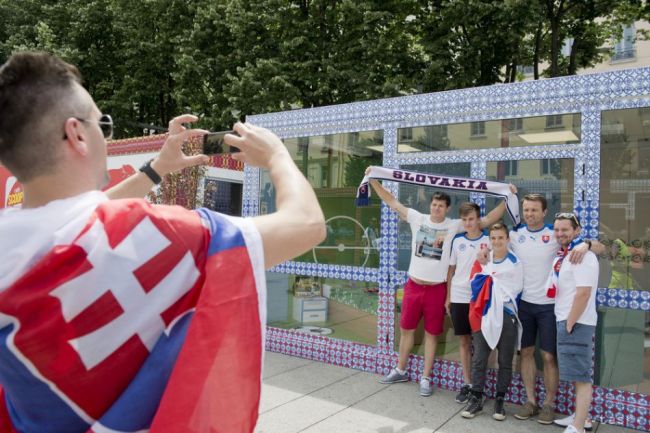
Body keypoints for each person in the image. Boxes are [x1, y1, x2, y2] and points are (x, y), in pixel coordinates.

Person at [0, 52, 325, 433]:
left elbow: (77, 219)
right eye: (102, 123)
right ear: (76, 134)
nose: (108, 135)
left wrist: (157, 169)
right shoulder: (160, 233)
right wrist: (278, 156)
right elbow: (306, 224)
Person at [367, 166, 511, 397]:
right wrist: (373, 182)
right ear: (431, 205)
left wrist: (507, 198)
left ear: (447, 209)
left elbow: (485, 221)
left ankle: (426, 378)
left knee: (432, 334)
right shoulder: (418, 218)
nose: (436, 208)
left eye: (441, 206)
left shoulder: (454, 225)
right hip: (413, 285)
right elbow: (393, 202)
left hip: (437, 289)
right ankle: (400, 369)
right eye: (434, 204)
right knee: (406, 330)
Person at [499, 194, 597, 426]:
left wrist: (588, 243)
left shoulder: (556, 234)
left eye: (534, 210)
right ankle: (531, 401)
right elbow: (494, 241)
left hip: (550, 308)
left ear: (544, 212)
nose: (530, 214)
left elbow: (599, 245)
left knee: (549, 356)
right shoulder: (515, 234)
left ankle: (549, 405)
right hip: (524, 305)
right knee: (526, 353)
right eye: (526, 210)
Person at [461, 223, 522, 421]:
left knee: (505, 360)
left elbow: (516, 289)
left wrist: (495, 288)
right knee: (480, 357)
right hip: (483, 313)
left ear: (507, 239)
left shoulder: (514, 262)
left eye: (500, 238)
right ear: (489, 240)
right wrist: (489, 283)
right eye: (493, 238)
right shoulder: (483, 259)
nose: (496, 242)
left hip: (506, 314)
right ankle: (476, 398)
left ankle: (500, 400)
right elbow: (474, 281)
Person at [550, 213, 599, 433]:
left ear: (577, 231)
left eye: (565, 230)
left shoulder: (583, 256)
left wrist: (570, 323)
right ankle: (582, 417)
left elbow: (584, 293)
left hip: (576, 322)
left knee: (581, 376)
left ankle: (578, 426)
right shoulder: (567, 254)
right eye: (557, 229)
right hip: (567, 319)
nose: (560, 234)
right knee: (575, 373)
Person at [446, 202, 490, 404]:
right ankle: (468, 383)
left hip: (479, 299)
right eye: (464, 220)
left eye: (471, 219)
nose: (468, 223)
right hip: (458, 296)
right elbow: (451, 271)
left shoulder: (489, 240)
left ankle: (480, 385)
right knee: (464, 341)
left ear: (478, 219)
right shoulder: (457, 241)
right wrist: (448, 297)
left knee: (482, 344)